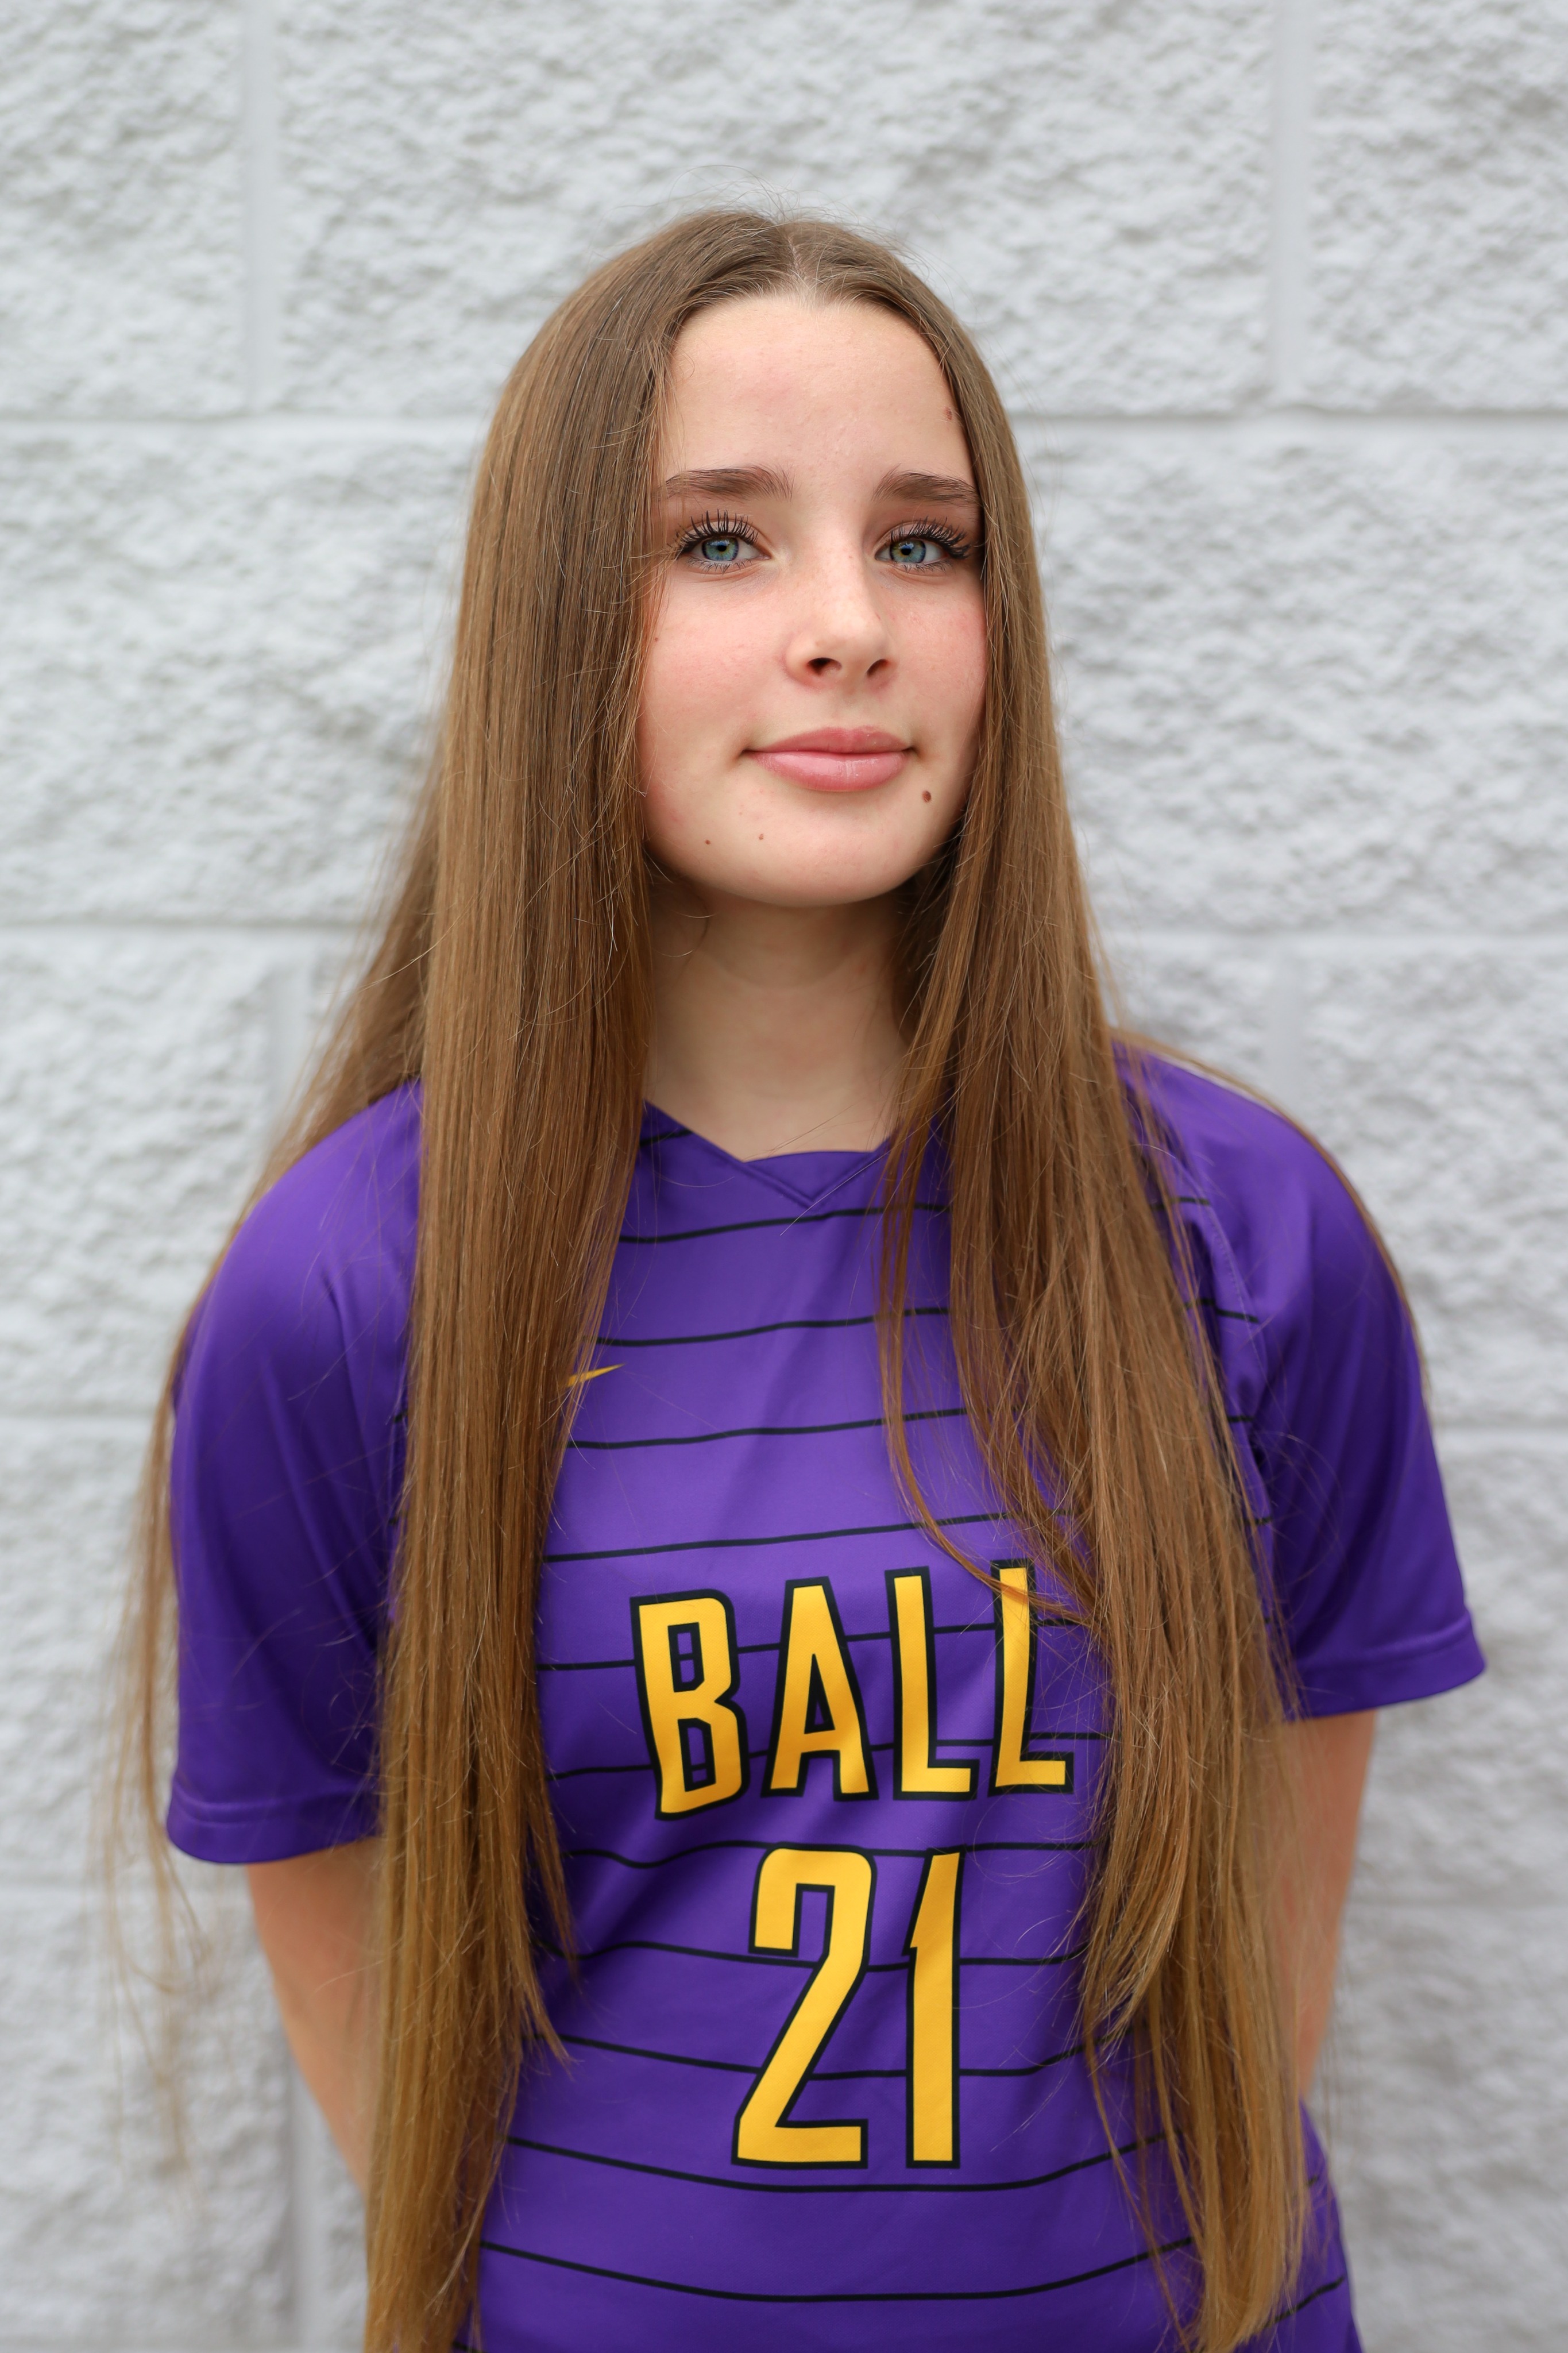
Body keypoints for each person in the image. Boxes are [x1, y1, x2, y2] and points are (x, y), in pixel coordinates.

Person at [121, 211, 1483, 2353]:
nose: (848, 626)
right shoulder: (351, 1293)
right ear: (557, 620)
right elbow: (394, 2068)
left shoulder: (1245, 1236)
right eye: (719, 543)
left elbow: (1261, 1971)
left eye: (923, 544)